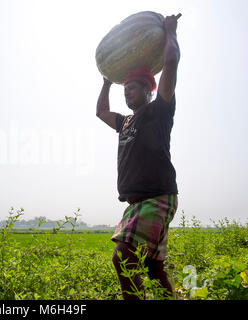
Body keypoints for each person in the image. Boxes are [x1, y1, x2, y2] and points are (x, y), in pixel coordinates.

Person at [96, 15, 180, 300]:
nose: (127, 92)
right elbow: (101, 112)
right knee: (154, 269)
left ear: (148, 89)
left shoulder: (159, 110)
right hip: (138, 202)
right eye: (125, 89)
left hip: (157, 196)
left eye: (132, 88)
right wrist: (107, 82)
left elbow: (170, 63)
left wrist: (170, 33)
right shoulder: (126, 122)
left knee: (122, 259)